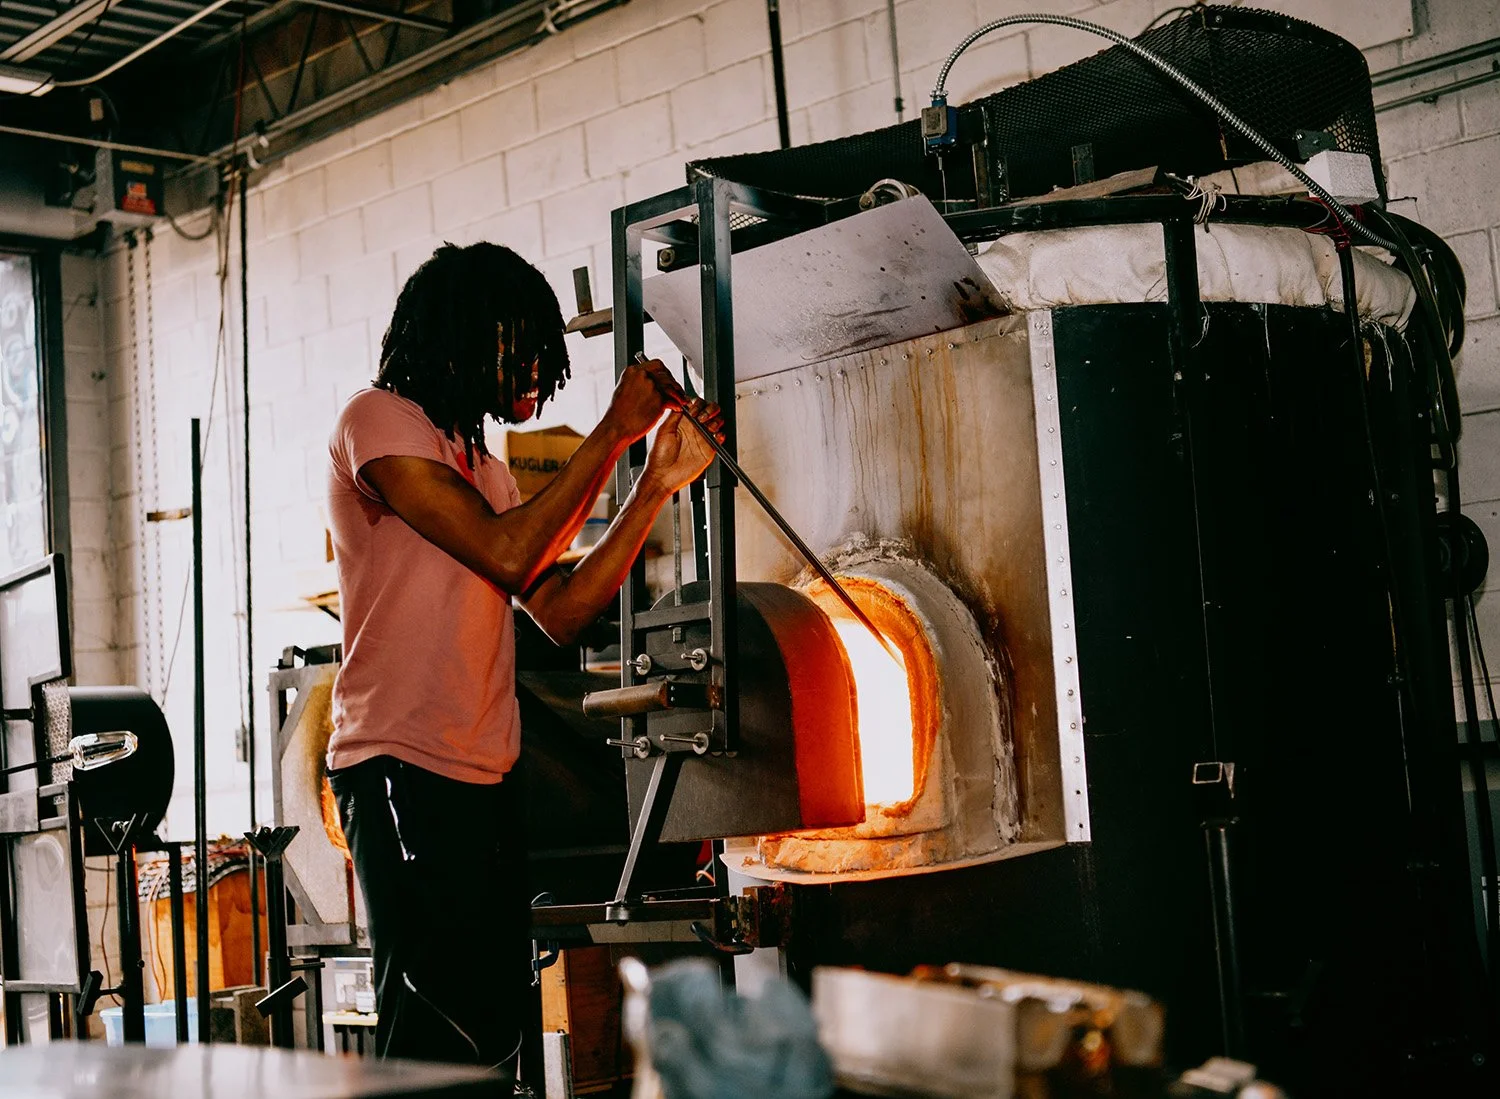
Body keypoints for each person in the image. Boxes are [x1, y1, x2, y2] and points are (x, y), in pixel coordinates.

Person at [324, 241, 722, 1078]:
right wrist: (614, 430)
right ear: (466, 335)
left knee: (495, 1024)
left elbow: (564, 615)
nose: (540, 369)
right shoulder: (378, 421)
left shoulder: (491, 475)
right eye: (524, 347)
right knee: (437, 1026)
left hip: (486, 776)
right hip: (399, 766)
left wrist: (653, 483)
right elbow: (507, 557)